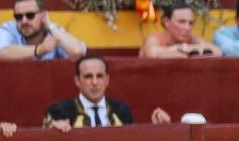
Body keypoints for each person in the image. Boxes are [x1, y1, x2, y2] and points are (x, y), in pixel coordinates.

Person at [43, 54, 174, 127]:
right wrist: (54, 130)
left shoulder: (122, 110)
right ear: (77, 81)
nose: (94, 83)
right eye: (88, 76)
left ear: (107, 80)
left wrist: (159, 130)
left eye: (99, 76)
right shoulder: (59, 111)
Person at [0, 0, 87, 62]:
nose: (24, 21)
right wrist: (39, 50)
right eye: (18, 16)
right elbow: (2, 54)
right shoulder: (8, 28)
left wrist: (50, 25)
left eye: (30, 15)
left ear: (43, 15)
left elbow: (77, 51)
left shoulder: (53, 29)